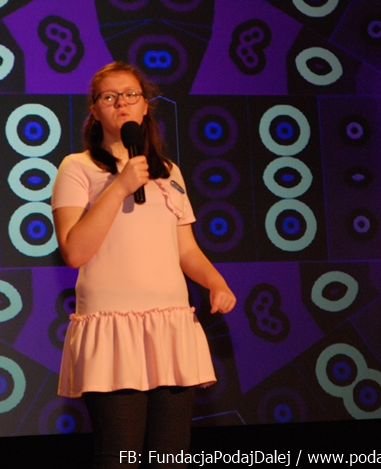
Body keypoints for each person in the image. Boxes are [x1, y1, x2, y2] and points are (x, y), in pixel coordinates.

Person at [51, 61, 236, 469]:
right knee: (121, 455)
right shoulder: (77, 167)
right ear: (94, 111)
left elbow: (185, 248)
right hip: (112, 327)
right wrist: (119, 186)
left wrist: (216, 282)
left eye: (131, 94)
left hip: (170, 324)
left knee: (171, 454)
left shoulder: (169, 172)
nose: (122, 103)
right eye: (109, 97)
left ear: (145, 106)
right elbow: (74, 251)